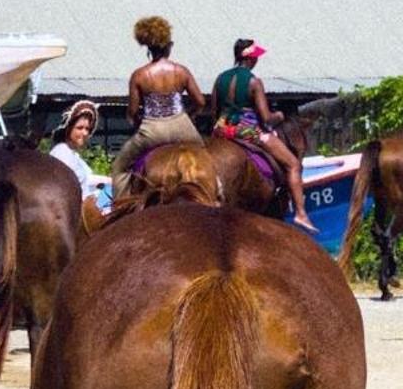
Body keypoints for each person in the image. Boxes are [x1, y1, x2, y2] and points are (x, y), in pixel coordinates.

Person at [211, 38, 318, 233]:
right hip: (248, 130)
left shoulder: (220, 79)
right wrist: (280, 115)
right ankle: (301, 214)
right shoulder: (254, 82)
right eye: (256, 57)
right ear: (250, 59)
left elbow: (214, 110)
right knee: (293, 164)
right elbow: (266, 118)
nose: (257, 61)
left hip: (221, 129)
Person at [109, 16, 206, 199]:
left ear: (149, 47)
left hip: (152, 131)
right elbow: (200, 102)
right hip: (182, 127)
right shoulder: (181, 71)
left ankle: (119, 206)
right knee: (208, 157)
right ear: (169, 46)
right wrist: (189, 116)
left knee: (120, 167)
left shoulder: (139, 75)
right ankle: (218, 195)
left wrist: (139, 124)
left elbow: (131, 113)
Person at [49, 99, 105, 200]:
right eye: (80, 128)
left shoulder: (73, 154)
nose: (85, 133)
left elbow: (87, 180)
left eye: (87, 129)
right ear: (68, 129)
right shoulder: (61, 152)